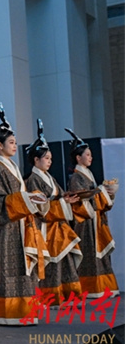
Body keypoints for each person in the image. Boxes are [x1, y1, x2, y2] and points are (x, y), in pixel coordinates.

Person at [0, 102, 49, 325]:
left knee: (23, 270)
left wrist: (31, 198)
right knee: (9, 269)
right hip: (8, 226)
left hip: (21, 224)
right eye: (11, 142)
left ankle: (25, 311)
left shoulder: (12, 167)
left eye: (15, 142)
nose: (14, 146)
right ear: (0, 145)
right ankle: (8, 313)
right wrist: (25, 199)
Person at [24, 120, 82, 305]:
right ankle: (51, 298)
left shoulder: (50, 177)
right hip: (46, 228)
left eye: (50, 158)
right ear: (36, 160)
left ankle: (69, 295)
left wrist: (67, 198)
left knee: (66, 262)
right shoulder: (33, 180)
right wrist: (63, 202)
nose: (50, 161)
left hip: (59, 226)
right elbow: (39, 206)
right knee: (53, 264)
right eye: (46, 158)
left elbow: (59, 195)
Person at [65, 128, 119, 298]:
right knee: (90, 256)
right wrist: (102, 192)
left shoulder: (88, 175)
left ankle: (104, 287)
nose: (90, 157)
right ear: (78, 158)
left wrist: (107, 193)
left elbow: (95, 197)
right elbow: (80, 202)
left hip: (96, 220)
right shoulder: (76, 177)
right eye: (87, 155)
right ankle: (91, 288)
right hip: (86, 222)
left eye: (90, 155)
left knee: (100, 257)